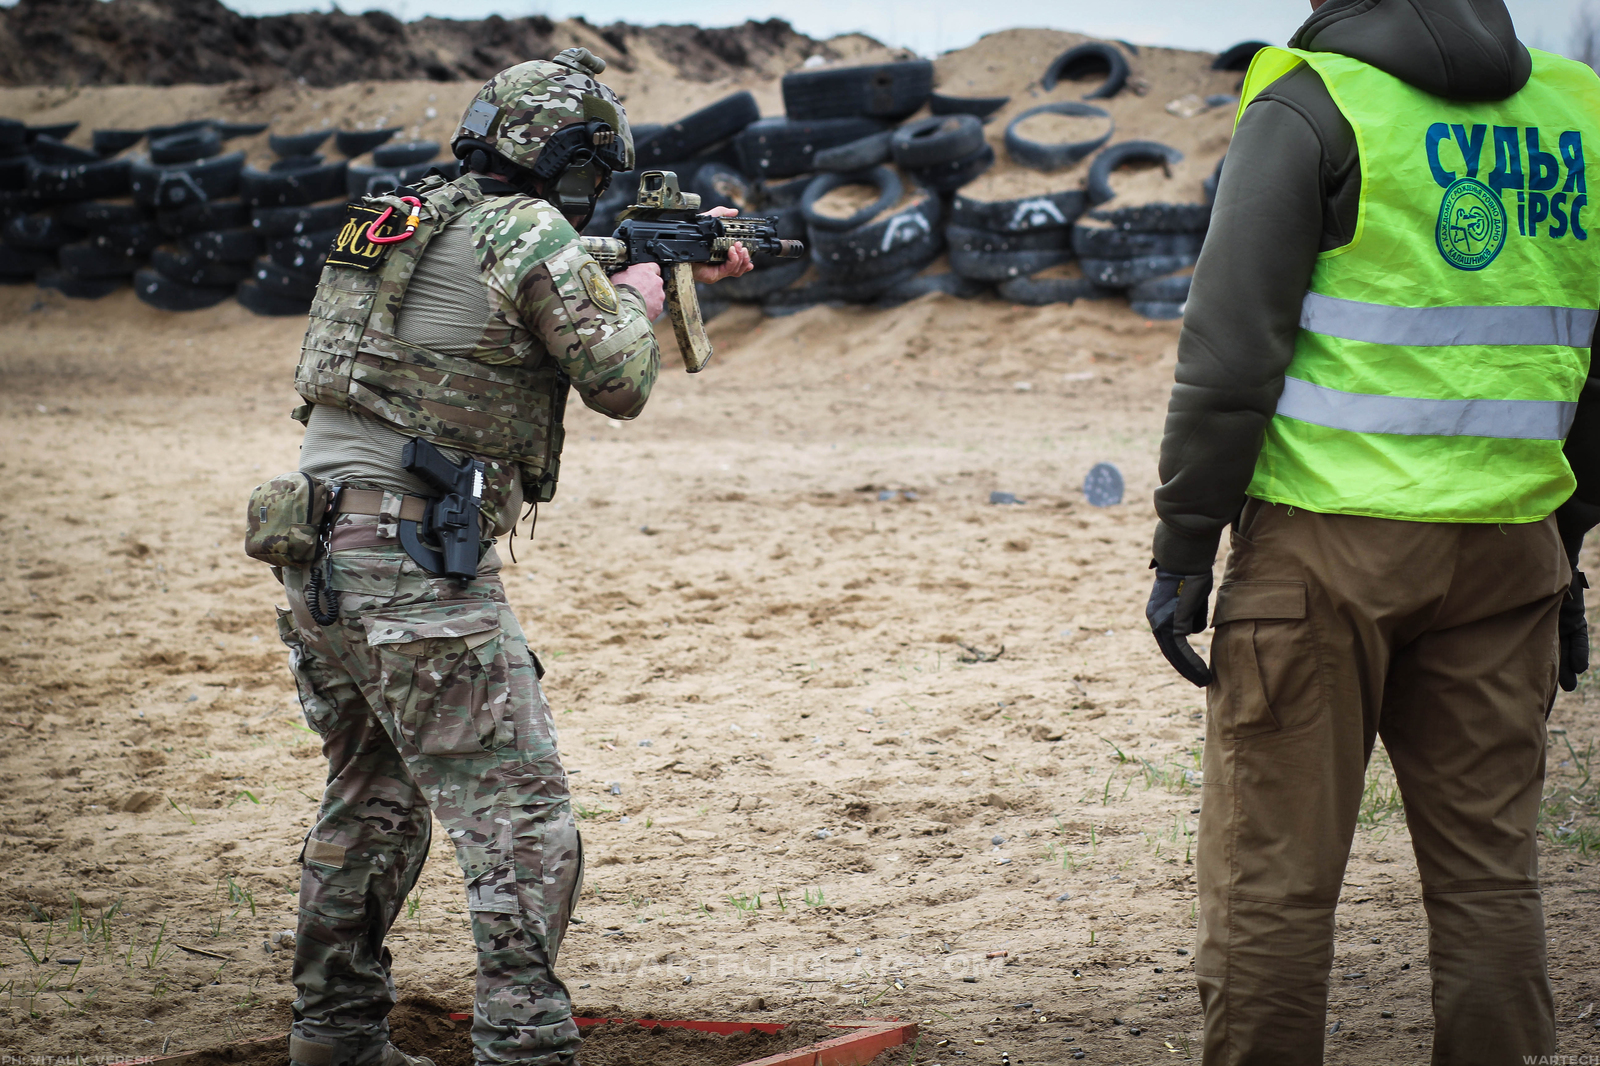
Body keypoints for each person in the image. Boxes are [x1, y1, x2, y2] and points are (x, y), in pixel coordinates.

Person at [271, 48, 750, 1066]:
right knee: (520, 815)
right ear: (571, 159)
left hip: (315, 554)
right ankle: (525, 1045)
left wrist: (645, 246)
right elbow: (618, 377)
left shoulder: (389, 218)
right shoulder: (533, 233)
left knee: (374, 798)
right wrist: (640, 288)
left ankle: (335, 1035)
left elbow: (489, 265)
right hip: (414, 567)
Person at [1144, 0, 1600, 1062]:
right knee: (1491, 875)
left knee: (1275, 881)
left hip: (1321, 554)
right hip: (1509, 543)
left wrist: (1183, 547)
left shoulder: (1311, 100)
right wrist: (1568, 540)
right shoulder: (1576, 112)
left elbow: (1228, 350)